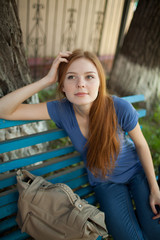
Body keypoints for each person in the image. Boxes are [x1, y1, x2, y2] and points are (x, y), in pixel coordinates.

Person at [0, 49, 160, 240]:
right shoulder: (61, 110)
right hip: (106, 183)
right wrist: (46, 80)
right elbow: (4, 110)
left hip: (136, 173)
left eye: (89, 76)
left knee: (155, 232)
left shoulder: (119, 107)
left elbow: (141, 145)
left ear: (100, 82)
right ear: (63, 86)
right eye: (71, 77)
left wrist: (155, 188)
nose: (81, 84)